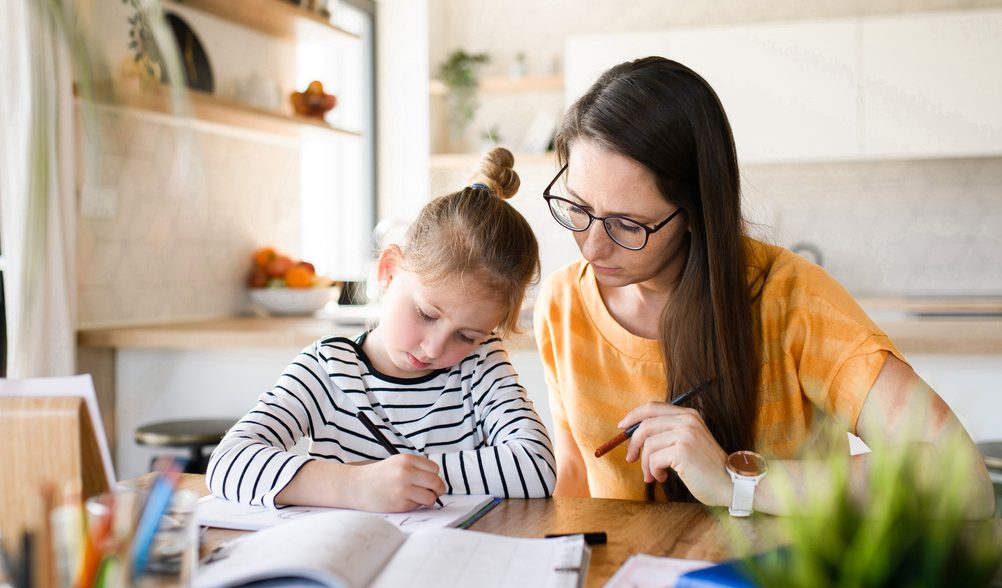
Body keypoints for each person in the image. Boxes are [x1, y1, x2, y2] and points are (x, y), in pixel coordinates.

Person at [534, 56, 994, 517]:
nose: (591, 248)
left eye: (627, 225)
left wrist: (737, 481)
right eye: (576, 207)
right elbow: (574, 489)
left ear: (694, 212)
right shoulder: (561, 303)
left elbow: (963, 481)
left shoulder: (793, 299)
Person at [208, 148, 555, 513]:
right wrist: (353, 485)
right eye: (426, 314)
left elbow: (537, 466)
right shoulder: (327, 369)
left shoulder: (481, 365)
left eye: (466, 336)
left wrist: (402, 477)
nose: (435, 349)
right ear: (389, 270)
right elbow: (228, 462)